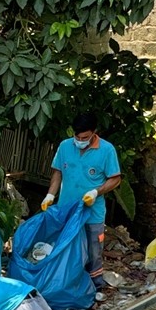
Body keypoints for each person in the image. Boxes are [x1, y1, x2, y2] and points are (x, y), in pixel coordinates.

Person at [42, 112, 122, 292]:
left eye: (84, 137)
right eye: (76, 137)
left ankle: (95, 287)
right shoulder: (65, 146)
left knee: (93, 252)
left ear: (94, 132)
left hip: (92, 213)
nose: (80, 140)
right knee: (66, 249)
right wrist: (50, 195)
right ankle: (67, 286)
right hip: (66, 211)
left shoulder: (106, 150)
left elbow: (115, 179)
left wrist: (96, 191)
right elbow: (57, 173)